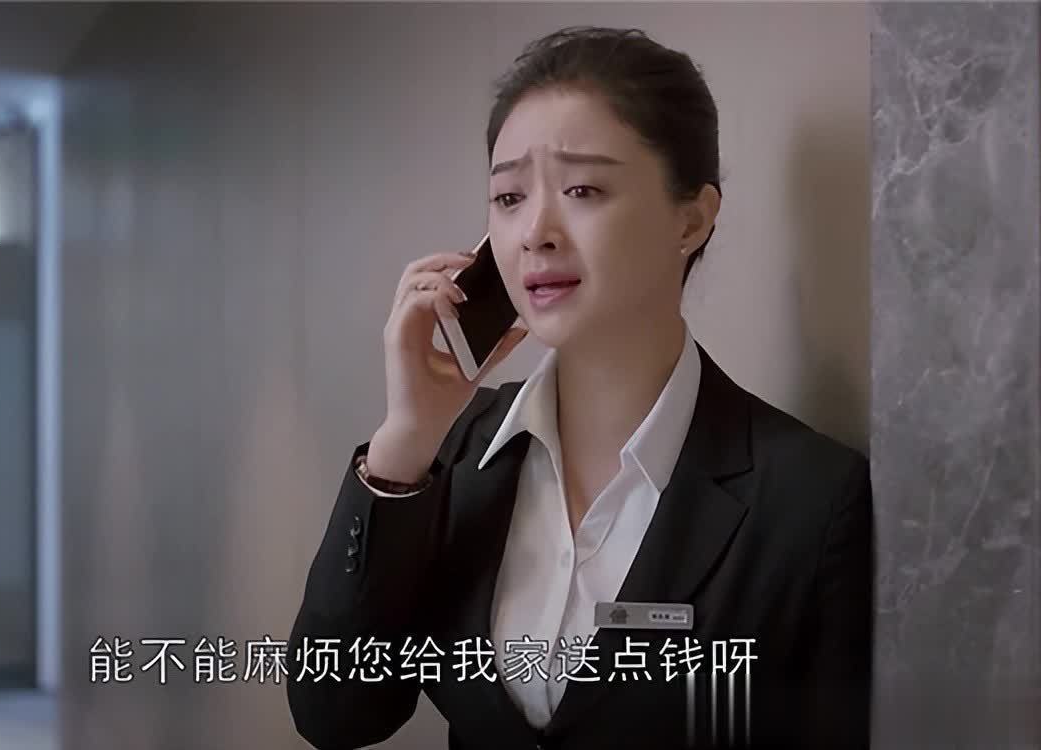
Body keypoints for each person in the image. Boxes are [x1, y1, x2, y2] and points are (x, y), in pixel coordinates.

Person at [287, 26, 873, 750]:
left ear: (692, 218)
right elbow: (336, 714)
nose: (534, 231)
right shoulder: (454, 454)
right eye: (508, 197)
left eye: (583, 189)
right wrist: (404, 443)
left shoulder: (812, 500)